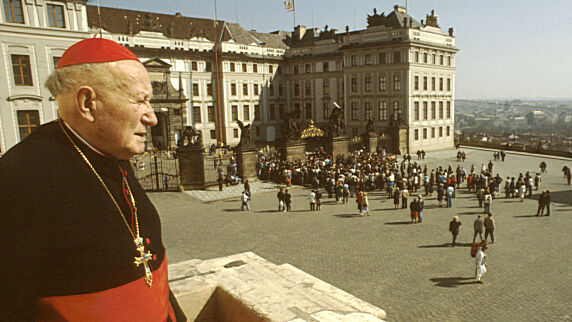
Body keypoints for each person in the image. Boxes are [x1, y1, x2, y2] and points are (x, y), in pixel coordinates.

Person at [0, 38, 185, 321]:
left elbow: (153, 274)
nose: (152, 118)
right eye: (140, 101)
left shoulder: (113, 156)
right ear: (88, 103)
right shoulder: (16, 181)